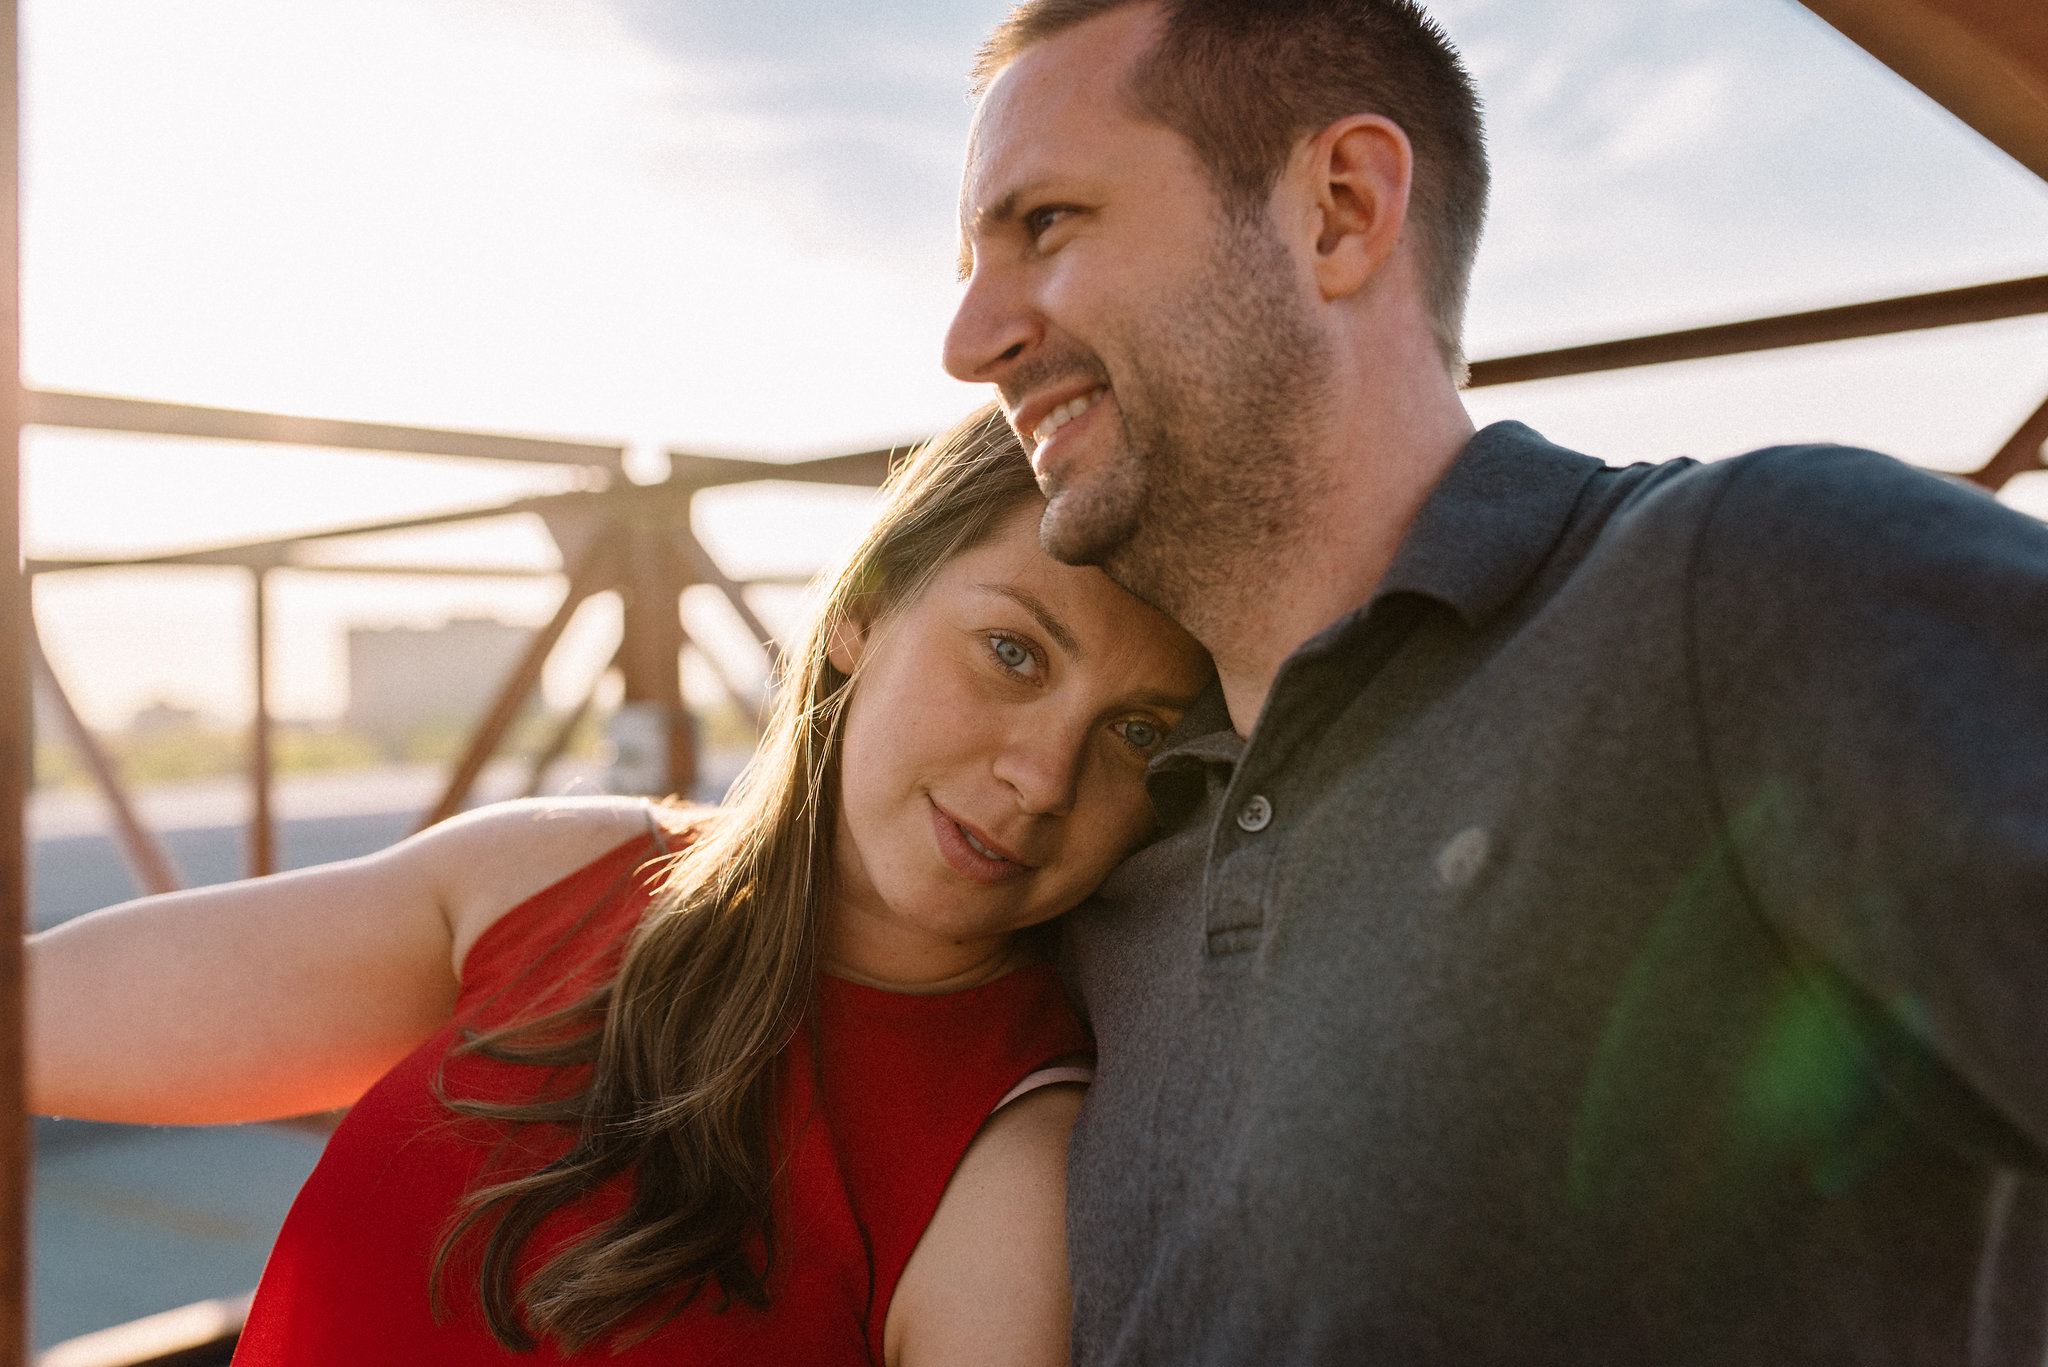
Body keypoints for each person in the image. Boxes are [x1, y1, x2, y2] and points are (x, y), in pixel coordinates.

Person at [944, 1, 2048, 1363]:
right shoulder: (1110, 860)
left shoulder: (1756, 588)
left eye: (1044, 225)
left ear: (1340, 211)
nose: (969, 337)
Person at [27, 407, 1212, 1365]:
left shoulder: (1006, 1172)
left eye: (1138, 733)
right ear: (861, 610)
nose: (1043, 776)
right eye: (1013, 651)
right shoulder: (546, 877)